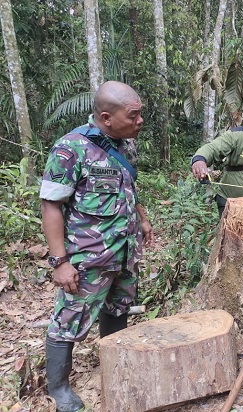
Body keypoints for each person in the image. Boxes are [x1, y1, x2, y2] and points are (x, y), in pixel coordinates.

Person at [40, 80, 153, 411]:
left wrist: (142, 217)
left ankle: (114, 363)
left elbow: (128, 186)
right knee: (69, 319)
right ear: (106, 117)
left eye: (140, 114)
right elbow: (51, 206)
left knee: (117, 308)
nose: (140, 121)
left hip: (124, 254)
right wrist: (60, 262)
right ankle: (59, 387)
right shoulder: (69, 149)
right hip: (89, 257)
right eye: (133, 116)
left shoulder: (123, 145)